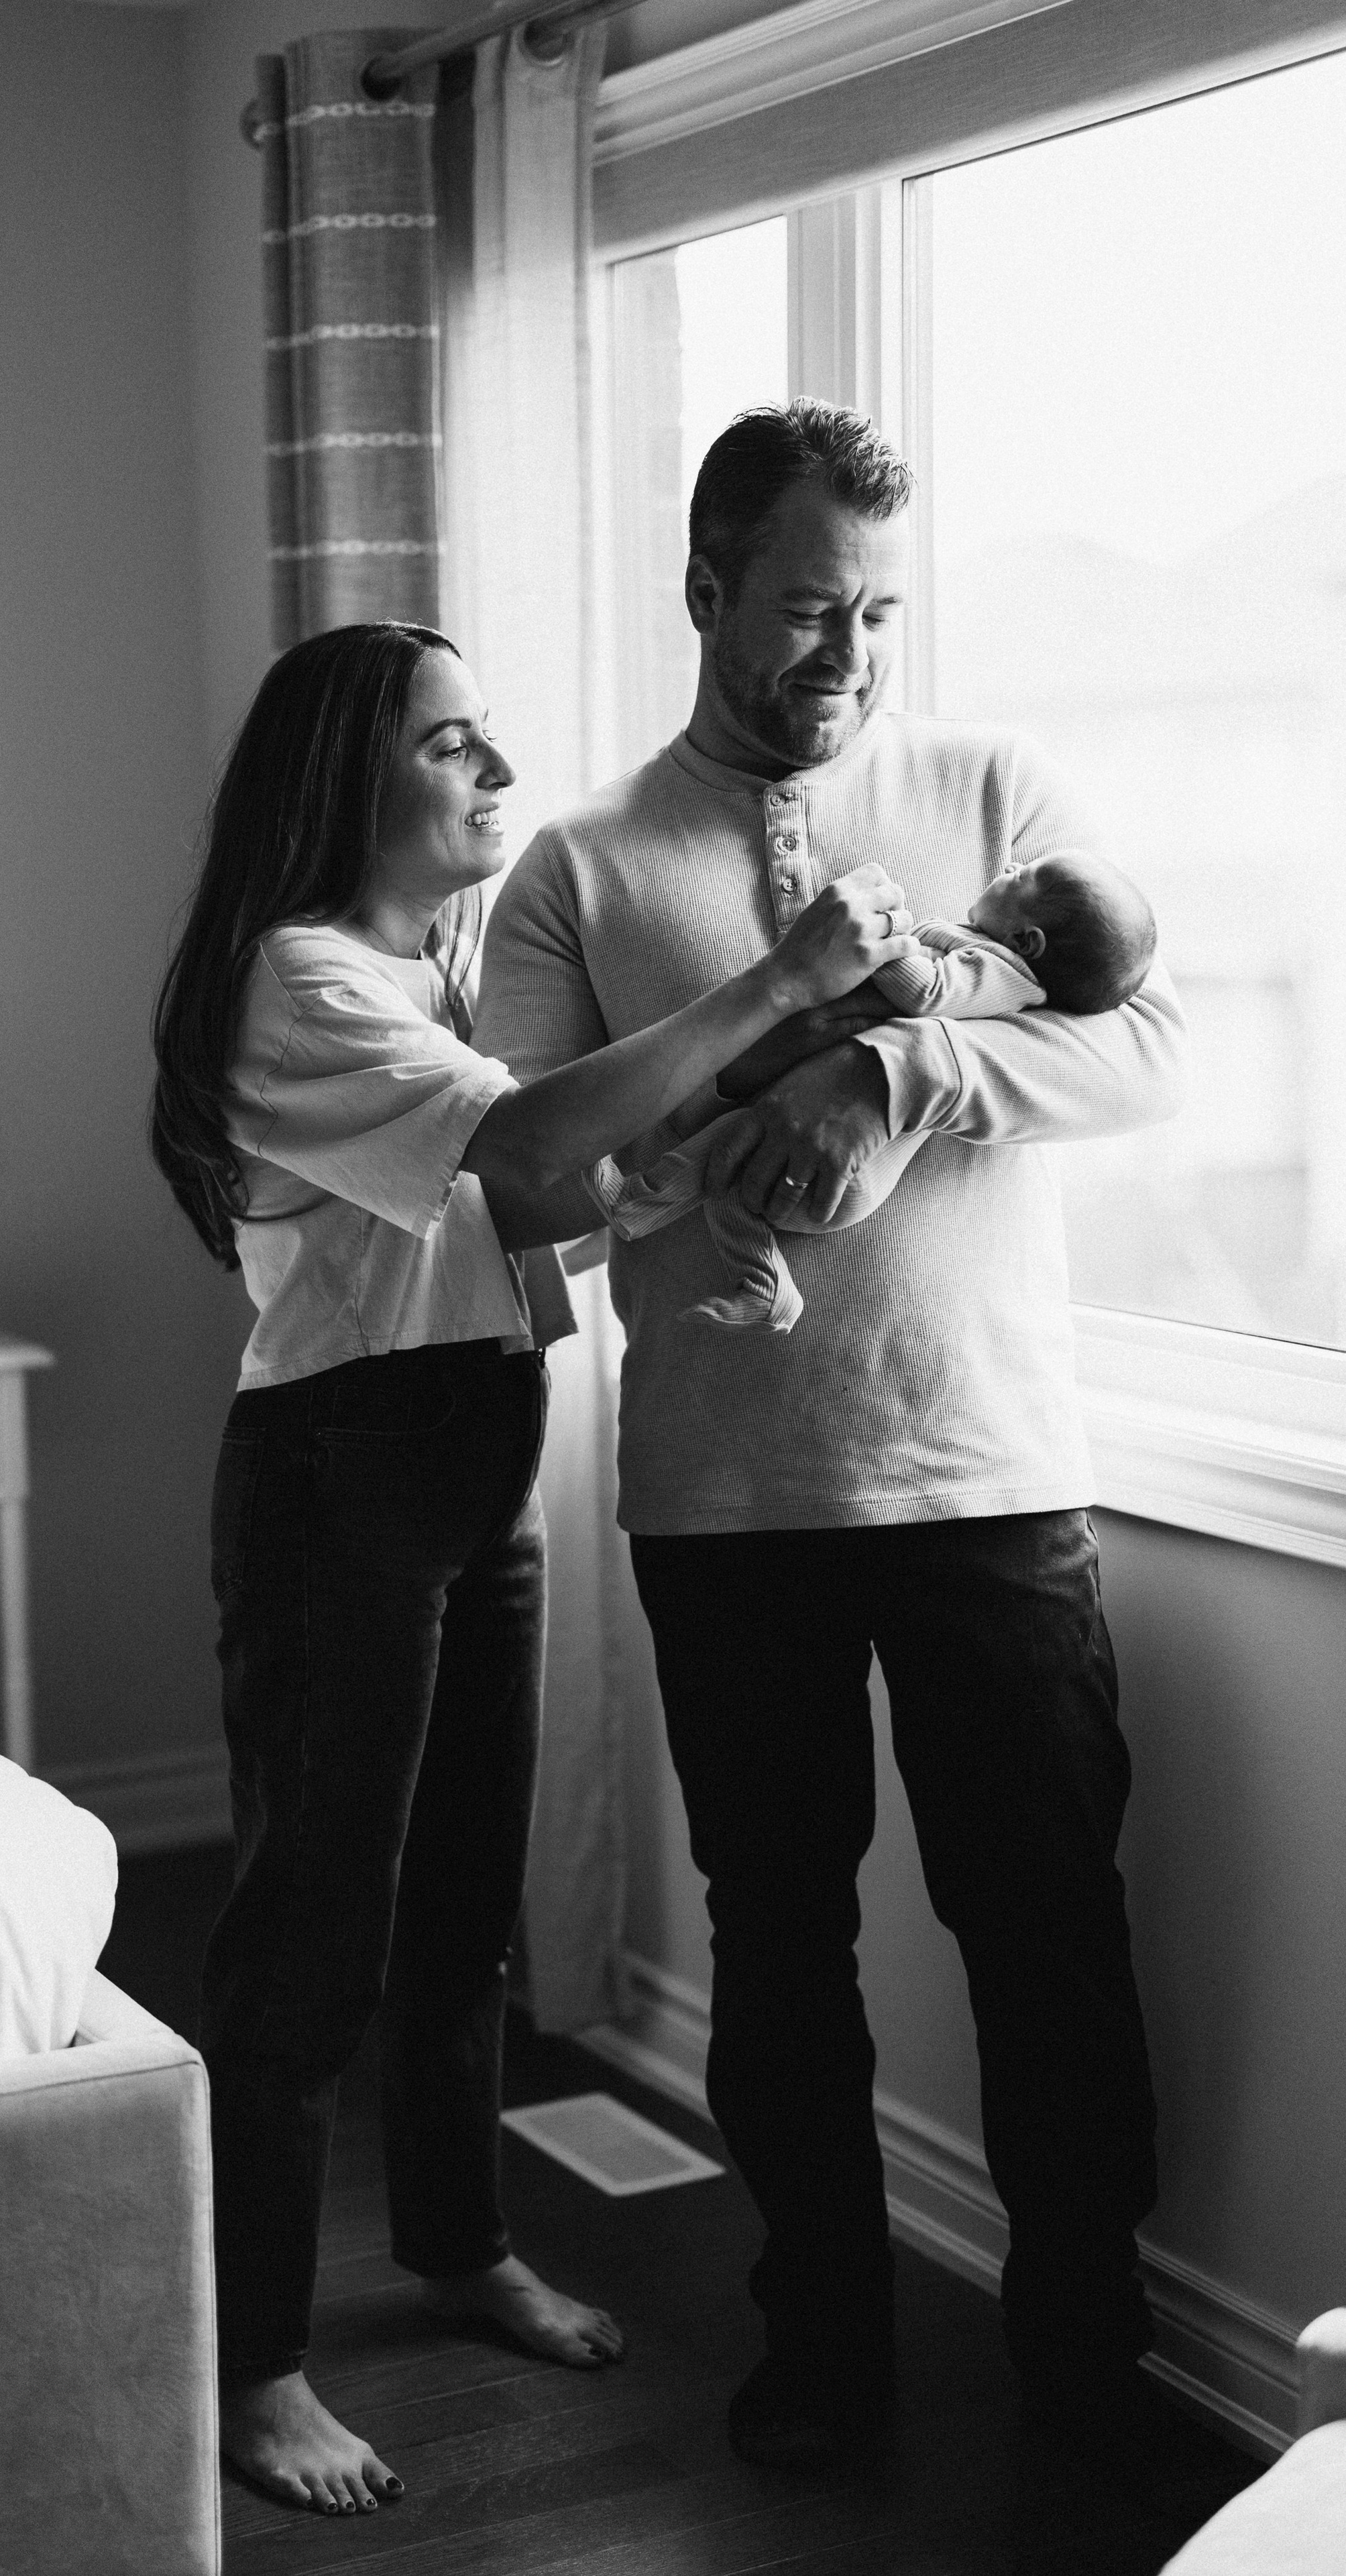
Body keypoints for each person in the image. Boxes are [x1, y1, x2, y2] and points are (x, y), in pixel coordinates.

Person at [473, 402, 1188, 2474]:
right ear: (707, 591)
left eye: (876, 611)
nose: (847, 654)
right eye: (805, 609)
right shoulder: (582, 865)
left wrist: (897, 1076)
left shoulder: (994, 795)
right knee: (778, 1944)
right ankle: (823, 2348)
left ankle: (1088, 2360)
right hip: (726, 1497)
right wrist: (719, 1100)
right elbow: (526, 1186)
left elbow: (1147, 1050)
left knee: (1048, 1928)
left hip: (987, 1472)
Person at [148, 617, 919, 2517]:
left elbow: (540, 1203)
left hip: (474, 1448)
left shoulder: (435, 972)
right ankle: (248, 2363)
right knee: (309, 1931)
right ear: (347, 776)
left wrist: (687, 1151)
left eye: (493, 736)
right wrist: (778, 981)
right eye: (451, 742)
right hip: (340, 1474)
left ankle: (455, 2241)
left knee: (462, 1905)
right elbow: (521, 1142)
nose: (496, 770)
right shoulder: (296, 977)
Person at [611, 847, 1158, 1331]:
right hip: (838, 1164)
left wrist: (879, 942)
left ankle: (659, 1214)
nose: (1010, 865)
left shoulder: (1002, 972)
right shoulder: (992, 955)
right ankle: (699, 1245)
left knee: (729, 1163)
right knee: (729, 1167)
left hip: (843, 1168)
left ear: (1026, 940)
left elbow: (928, 992)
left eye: (1023, 877)